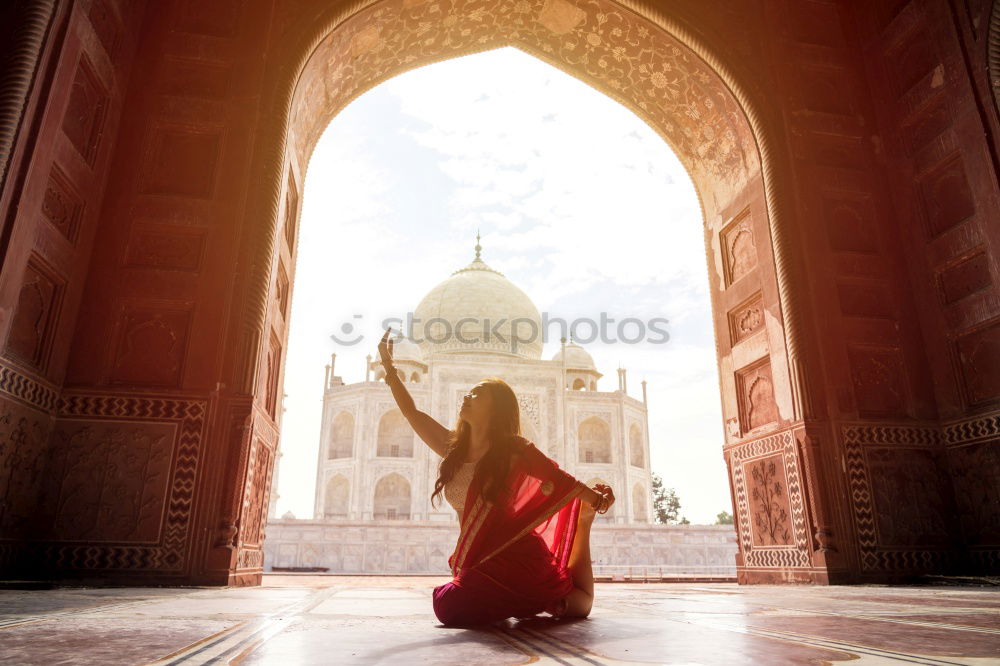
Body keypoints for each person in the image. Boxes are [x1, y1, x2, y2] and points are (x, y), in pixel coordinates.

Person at [377, 328, 615, 627]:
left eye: (477, 394)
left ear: (495, 409)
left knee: (452, 605)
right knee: (448, 603)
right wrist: (389, 368)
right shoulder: (454, 450)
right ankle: (518, 601)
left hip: (518, 559)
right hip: (481, 562)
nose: (467, 396)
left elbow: (557, 478)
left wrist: (595, 502)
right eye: (468, 391)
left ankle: (580, 531)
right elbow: (412, 412)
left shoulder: (513, 450)